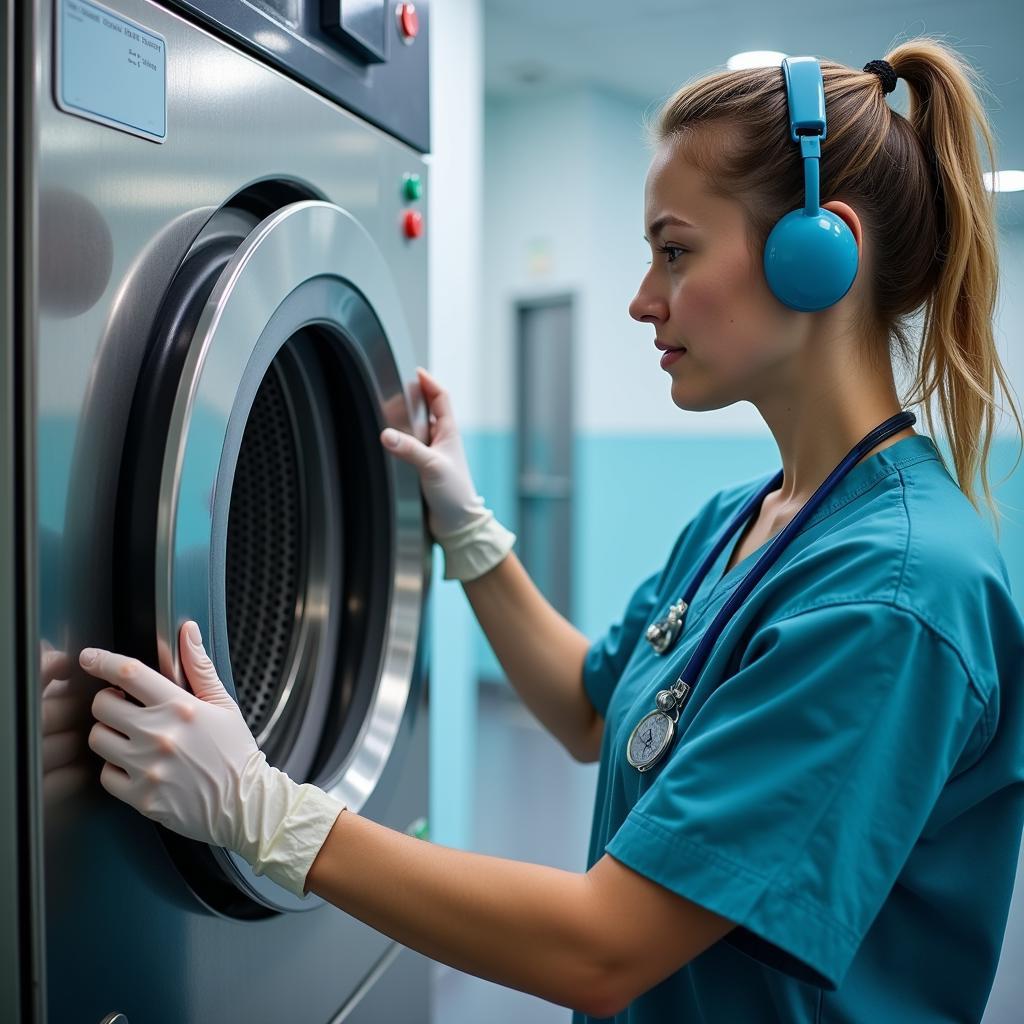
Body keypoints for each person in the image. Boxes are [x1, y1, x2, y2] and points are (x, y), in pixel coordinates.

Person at [80, 38, 1024, 1022]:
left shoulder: (892, 601)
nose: (640, 298)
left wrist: (262, 813)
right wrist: (469, 527)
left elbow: (604, 948)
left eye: (674, 250)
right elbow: (588, 707)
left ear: (817, 253)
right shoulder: (748, 517)